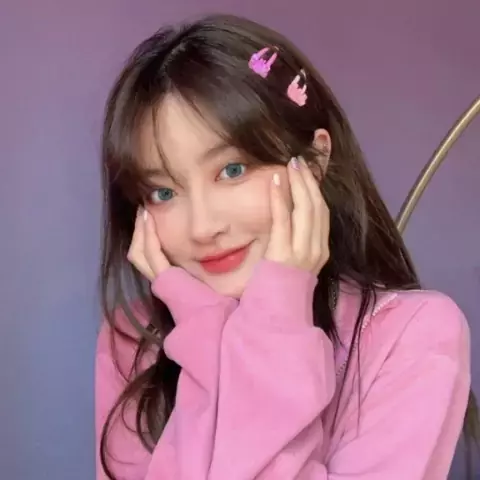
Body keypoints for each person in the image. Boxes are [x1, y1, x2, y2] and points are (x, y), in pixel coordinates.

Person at [96, 13, 474, 480]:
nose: (203, 227)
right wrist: (201, 327)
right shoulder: (134, 338)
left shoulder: (412, 336)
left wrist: (275, 315)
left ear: (314, 161)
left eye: (232, 170)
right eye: (163, 192)